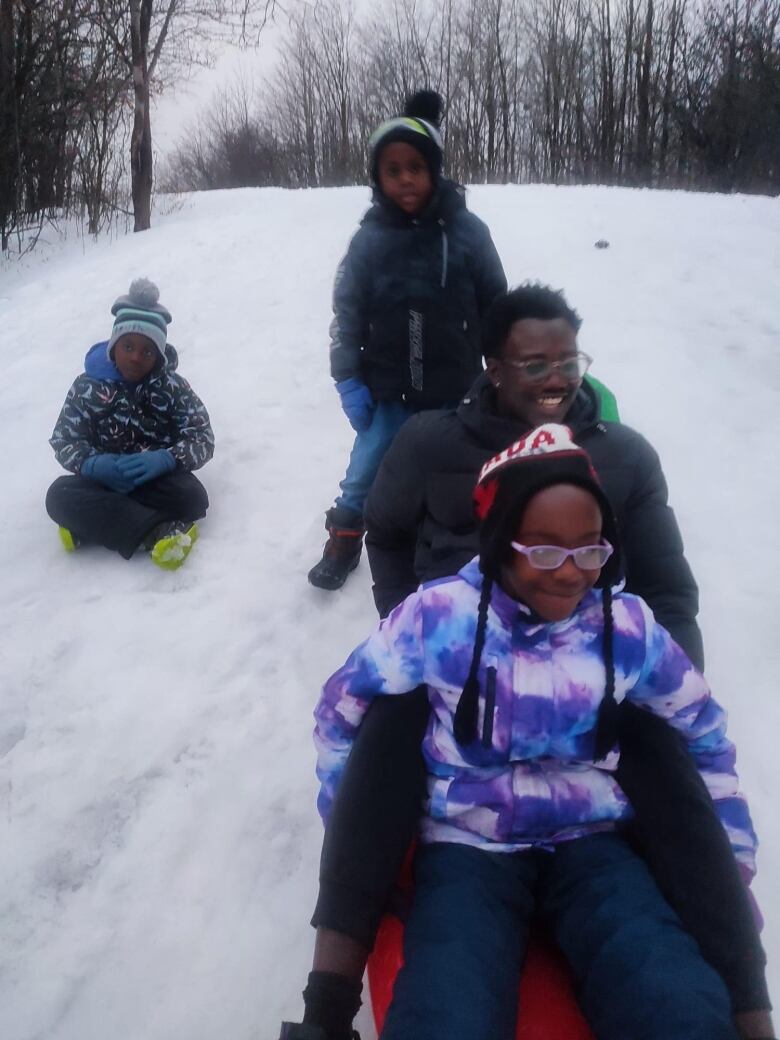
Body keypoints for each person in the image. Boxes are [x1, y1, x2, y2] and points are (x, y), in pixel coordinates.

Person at [281, 425, 772, 1040]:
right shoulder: (439, 619)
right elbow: (344, 712)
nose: (569, 573)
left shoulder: (628, 629)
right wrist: (356, 828)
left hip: (594, 840)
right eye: (543, 551)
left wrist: (730, 861)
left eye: (589, 550)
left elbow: (700, 735)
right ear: (500, 544)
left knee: (670, 992)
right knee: (446, 1003)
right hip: (469, 843)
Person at [307, 89, 507, 591]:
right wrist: (348, 376)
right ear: (378, 178)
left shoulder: (467, 232)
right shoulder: (369, 239)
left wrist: (501, 366)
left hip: (456, 387)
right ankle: (346, 534)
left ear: (434, 169)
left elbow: (496, 302)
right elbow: (346, 310)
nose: (405, 179)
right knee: (366, 467)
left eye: (415, 167)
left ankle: (460, 539)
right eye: (392, 170)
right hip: (389, 390)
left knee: (462, 468)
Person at [46, 278, 214, 570]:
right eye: (128, 346)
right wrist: (91, 464)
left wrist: (167, 458)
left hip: (153, 480)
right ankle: (157, 532)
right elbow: (64, 439)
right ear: (114, 346)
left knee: (193, 498)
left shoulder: (172, 387)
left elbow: (202, 436)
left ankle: (93, 524)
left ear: (159, 355)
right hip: (101, 479)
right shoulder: (86, 386)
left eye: (147, 351)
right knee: (58, 496)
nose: (135, 357)